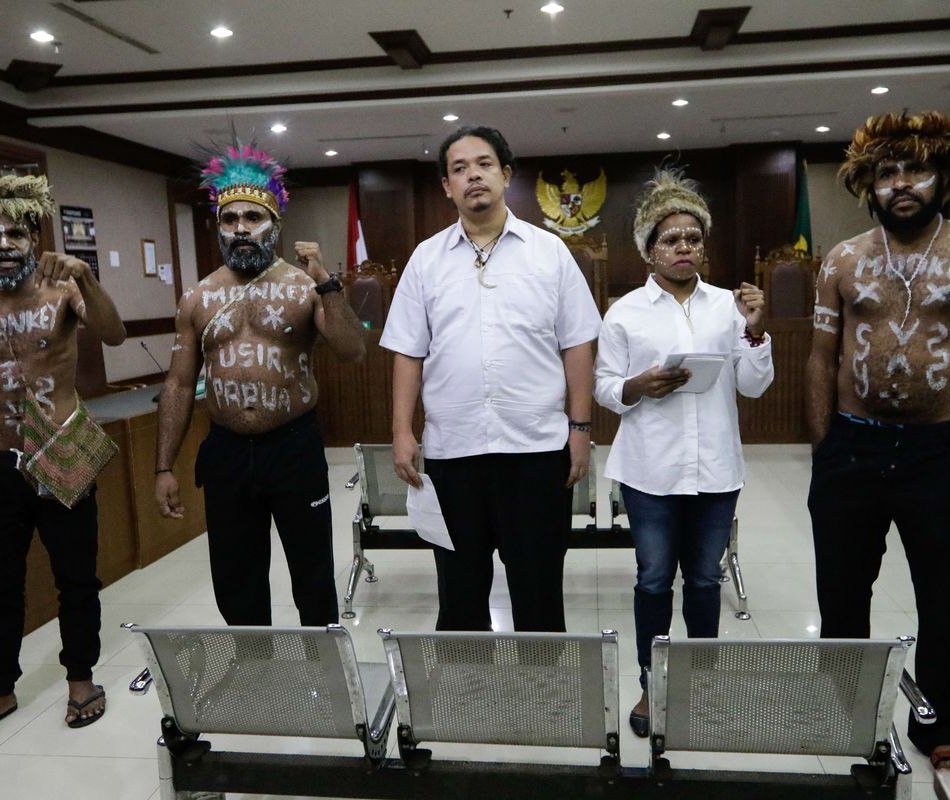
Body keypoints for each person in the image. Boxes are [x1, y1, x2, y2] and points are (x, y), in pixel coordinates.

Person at [807, 111, 950, 772]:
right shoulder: (843, 260)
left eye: (916, 169)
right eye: (887, 172)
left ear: (946, 175)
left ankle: (949, 727)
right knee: (842, 595)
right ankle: (843, 712)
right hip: (852, 449)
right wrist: (825, 452)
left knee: (944, 596)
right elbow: (820, 359)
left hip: (941, 451)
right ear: (868, 185)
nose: (902, 183)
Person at [381, 125, 602, 632]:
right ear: (446, 186)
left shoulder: (550, 253)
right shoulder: (425, 260)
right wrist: (400, 432)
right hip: (453, 454)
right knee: (458, 595)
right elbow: (408, 354)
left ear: (505, 174)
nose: (472, 175)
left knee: (539, 589)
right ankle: (467, 704)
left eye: (482, 164)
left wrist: (581, 429)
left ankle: (546, 704)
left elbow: (578, 346)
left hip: (536, 452)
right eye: (458, 169)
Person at [0, 175, 127, 746]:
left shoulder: (64, 294)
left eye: (15, 231)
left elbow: (114, 335)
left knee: (76, 578)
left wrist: (86, 276)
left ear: (33, 237)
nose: (3, 244)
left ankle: (81, 679)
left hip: (62, 449)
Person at [155, 143, 366, 627]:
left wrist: (326, 284)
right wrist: (162, 466)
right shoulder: (198, 297)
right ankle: (256, 678)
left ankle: (324, 679)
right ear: (219, 226)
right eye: (231, 220)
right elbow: (180, 384)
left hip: (292, 448)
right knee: (236, 576)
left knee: (312, 573)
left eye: (254, 217)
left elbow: (354, 351)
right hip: (227, 452)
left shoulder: (302, 286)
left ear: (275, 224)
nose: (242, 229)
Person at [595, 168, 773, 736]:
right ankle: (653, 685)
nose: (684, 248)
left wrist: (754, 334)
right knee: (652, 581)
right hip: (650, 469)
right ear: (648, 249)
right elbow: (604, 386)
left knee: (703, 581)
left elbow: (753, 386)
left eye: (693, 238)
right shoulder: (624, 312)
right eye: (670, 239)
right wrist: (636, 386)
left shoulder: (729, 307)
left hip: (717, 468)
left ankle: (700, 683)